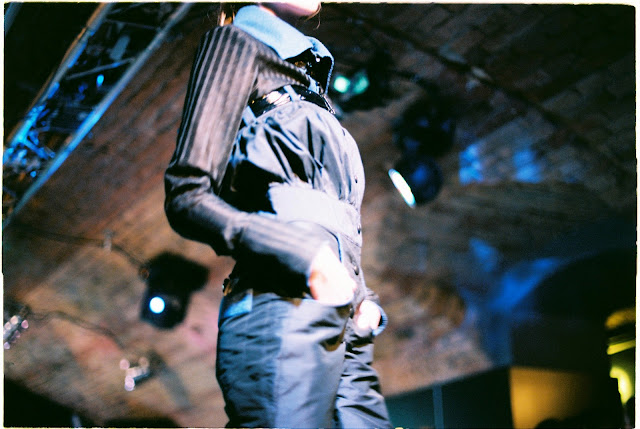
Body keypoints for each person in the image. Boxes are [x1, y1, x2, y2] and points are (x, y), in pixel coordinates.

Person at [164, 2, 391, 427]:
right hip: (282, 303)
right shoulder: (235, 44)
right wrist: (306, 256)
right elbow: (186, 195)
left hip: (346, 323)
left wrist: (364, 304)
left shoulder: (311, 88)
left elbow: (334, 220)